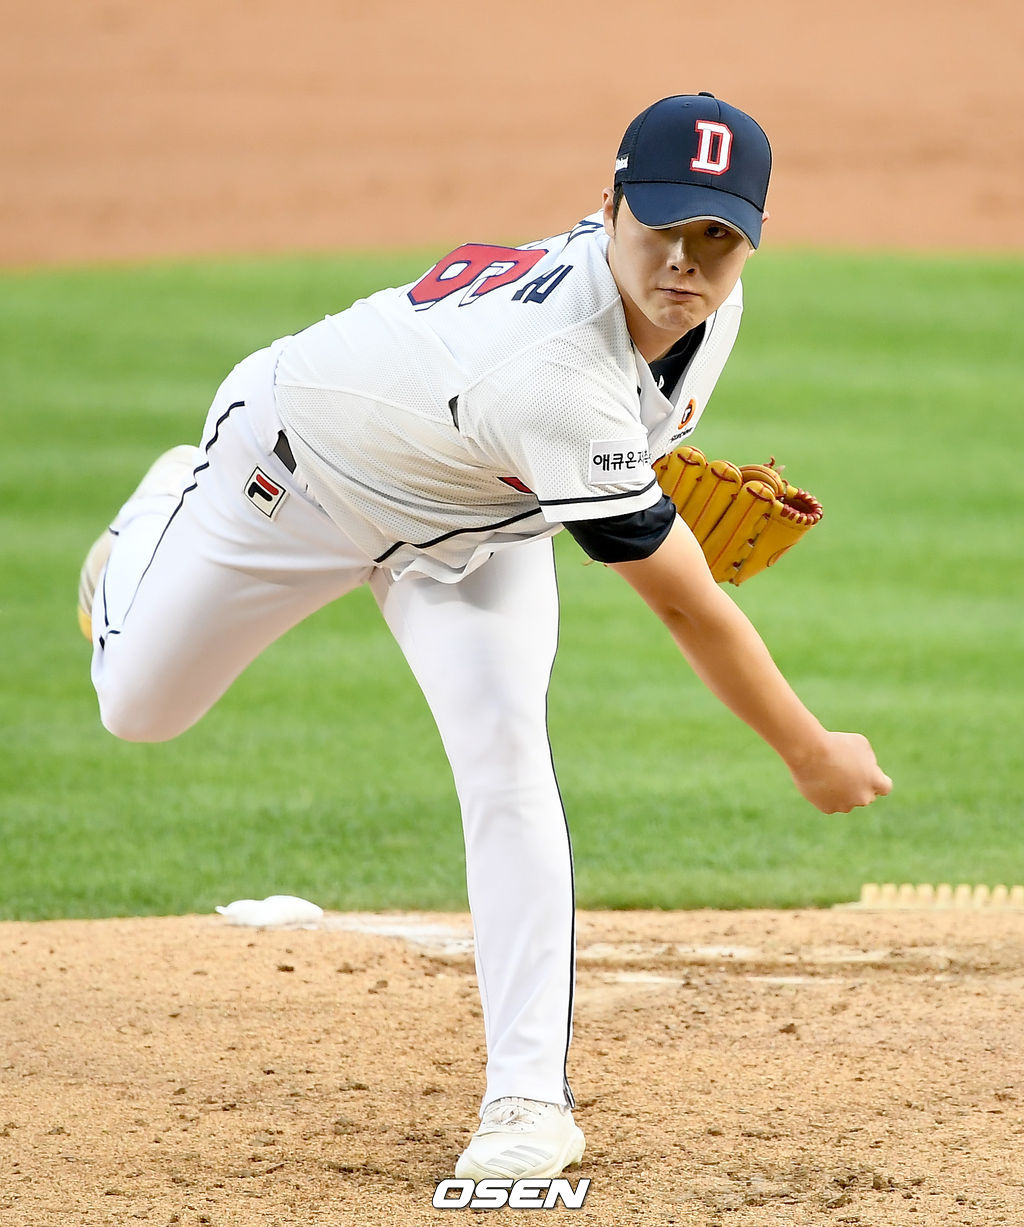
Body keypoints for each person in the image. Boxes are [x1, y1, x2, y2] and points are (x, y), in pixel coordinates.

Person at [77, 92, 892, 1181]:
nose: (686, 266)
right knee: (138, 709)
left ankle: (525, 1103)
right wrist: (810, 749)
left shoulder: (705, 311)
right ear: (604, 208)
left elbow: (614, 420)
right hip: (288, 479)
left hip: (473, 519)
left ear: (749, 241)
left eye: (718, 239)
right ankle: (155, 517)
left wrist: (619, 481)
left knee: (506, 761)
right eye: (660, 228)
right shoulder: (551, 372)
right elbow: (684, 601)